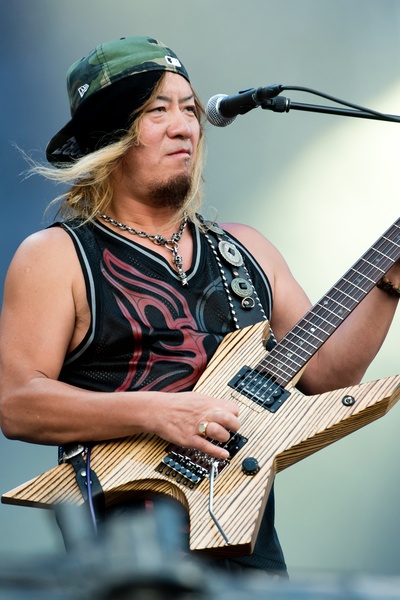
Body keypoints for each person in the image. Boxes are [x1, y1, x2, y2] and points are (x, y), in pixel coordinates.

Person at [0, 36, 399, 577]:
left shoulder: (247, 248)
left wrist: (389, 284)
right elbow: (17, 404)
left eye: (189, 109)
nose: (184, 126)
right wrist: (159, 411)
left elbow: (329, 378)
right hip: (126, 554)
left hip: (246, 539)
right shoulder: (56, 255)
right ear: (109, 134)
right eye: (157, 111)